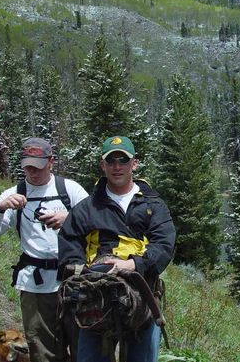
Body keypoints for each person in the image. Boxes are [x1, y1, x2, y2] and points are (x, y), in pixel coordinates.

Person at [57, 136, 176, 362]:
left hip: (143, 297)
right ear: (103, 165)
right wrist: (89, 272)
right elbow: (69, 245)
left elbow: (164, 245)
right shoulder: (86, 208)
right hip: (94, 300)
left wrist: (132, 264)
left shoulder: (153, 204)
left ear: (135, 163)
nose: (117, 167)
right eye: (111, 161)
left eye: (123, 160)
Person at [0, 137, 89, 362]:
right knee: (43, 352)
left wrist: (70, 218)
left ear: (51, 162)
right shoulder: (13, 194)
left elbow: (97, 223)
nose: (32, 172)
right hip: (35, 286)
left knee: (85, 347)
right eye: (27, 167)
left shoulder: (69, 189)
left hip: (76, 281)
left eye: (37, 166)